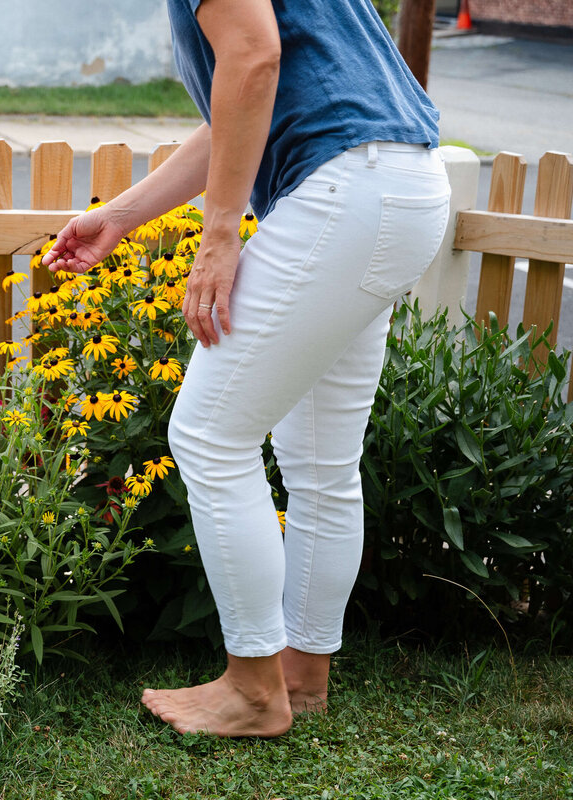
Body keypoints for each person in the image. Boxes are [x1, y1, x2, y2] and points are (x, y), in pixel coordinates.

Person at [43, 0, 450, 736]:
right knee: (322, 460)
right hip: (400, 184)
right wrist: (124, 214)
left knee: (209, 436)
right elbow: (247, 93)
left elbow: (254, 56)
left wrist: (221, 232)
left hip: (348, 190)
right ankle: (301, 674)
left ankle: (255, 690)